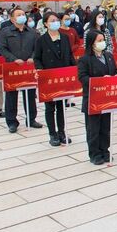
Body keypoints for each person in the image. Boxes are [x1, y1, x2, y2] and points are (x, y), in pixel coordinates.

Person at [34, 12, 76, 146]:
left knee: (61, 106)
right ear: (45, 24)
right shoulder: (41, 40)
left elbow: (70, 55)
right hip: (49, 77)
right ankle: (52, 134)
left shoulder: (64, 37)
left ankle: (62, 132)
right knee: (50, 107)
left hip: (63, 76)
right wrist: (40, 70)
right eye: (52, 21)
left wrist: (74, 70)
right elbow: (37, 58)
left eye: (56, 20)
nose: (55, 23)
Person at [0, 7, 42, 132]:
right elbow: (2, 48)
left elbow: (37, 48)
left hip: (29, 67)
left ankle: (31, 119)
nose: (22, 16)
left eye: (23, 14)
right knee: (11, 95)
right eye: (18, 15)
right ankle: (12, 122)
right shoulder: (5, 32)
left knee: (30, 93)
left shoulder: (33, 32)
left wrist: (33, 57)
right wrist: (13, 59)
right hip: (13, 67)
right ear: (12, 19)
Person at [77, 31, 117, 164]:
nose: (102, 43)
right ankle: (94, 154)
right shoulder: (85, 59)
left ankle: (105, 150)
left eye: (103, 40)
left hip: (107, 97)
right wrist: (100, 80)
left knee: (106, 126)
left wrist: (115, 77)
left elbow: (115, 71)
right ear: (92, 43)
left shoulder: (108, 56)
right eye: (99, 41)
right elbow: (82, 77)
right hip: (92, 98)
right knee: (93, 128)